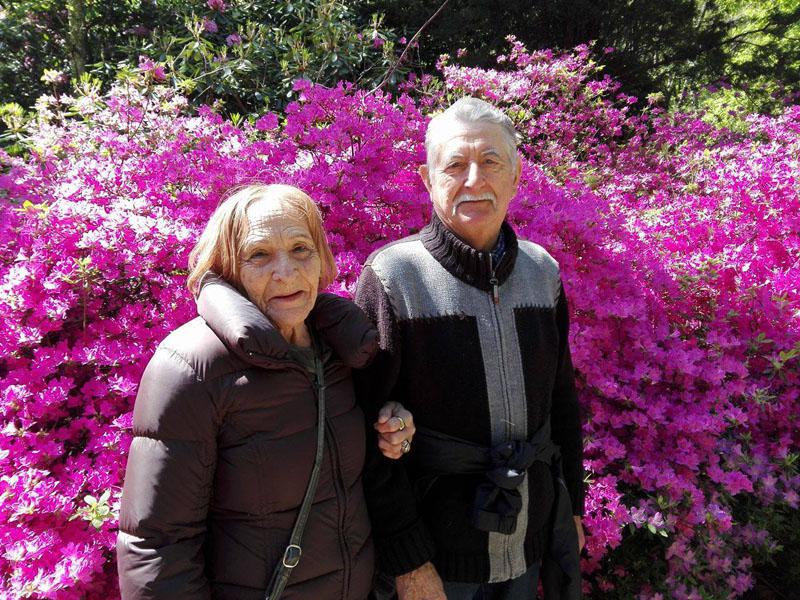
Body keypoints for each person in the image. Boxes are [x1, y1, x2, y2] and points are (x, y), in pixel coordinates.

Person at [117, 184, 416, 599]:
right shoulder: (190, 368)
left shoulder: (338, 350)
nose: (286, 272)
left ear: (322, 258)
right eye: (259, 255)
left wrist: (392, 427)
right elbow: (158, 546)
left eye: (301, 249)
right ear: (228, 266)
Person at [355, 97, 585, 600]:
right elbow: (364, 432)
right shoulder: (394, 277)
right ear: (427, 179)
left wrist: (572, 509)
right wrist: (409, 563)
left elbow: (562, 401)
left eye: (491, 162)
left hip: (528, 537)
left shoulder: (541, 272)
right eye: (455, 165)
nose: (473, 179)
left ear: (516, 177)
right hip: (436, 558)